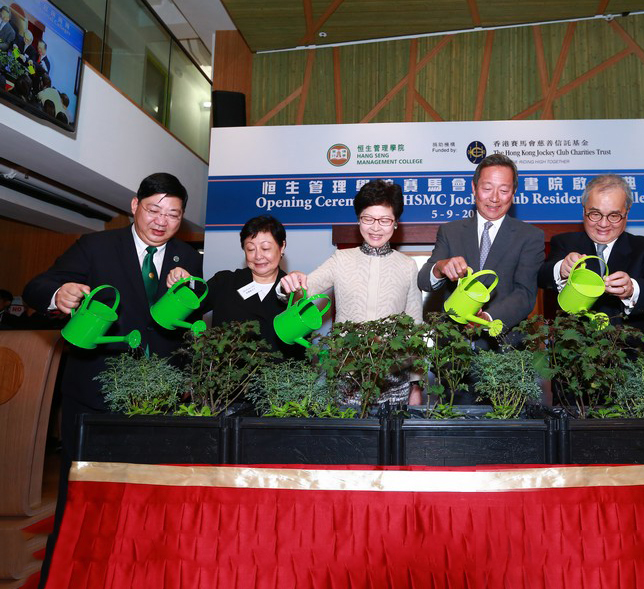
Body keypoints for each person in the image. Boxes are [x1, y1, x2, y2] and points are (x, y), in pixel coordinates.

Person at [23, 172, 202, 588]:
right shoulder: (96, 246)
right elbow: (36, 286)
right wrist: (60, 294)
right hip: (96, 397)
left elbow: (192, 312)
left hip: (161, 400)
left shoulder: (187, 258)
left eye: (173, 214)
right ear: (134, 204)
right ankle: (68, 577)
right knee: (84, 498)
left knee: (151, 497)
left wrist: (192, 288)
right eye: (154, 209)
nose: (161, 221)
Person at [279, 179, 423, 403]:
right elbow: (303, 290)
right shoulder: (341, 259)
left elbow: (415, 326)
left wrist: (416, 383)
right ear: (358, 220)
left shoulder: (407, 265)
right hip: (347, 377)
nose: (376, 227)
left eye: (385, 220)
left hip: (394, 379)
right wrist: (287, 284)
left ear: (396, 223)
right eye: (368, 219)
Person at [418, 153, 545, 338]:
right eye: (487, 188)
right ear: (474, 188)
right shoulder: (450, 231)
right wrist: (440, 267)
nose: (494, 198)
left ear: (514, 192)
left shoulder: (530, 236)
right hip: (454, 348)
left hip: (504, 347)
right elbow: (423, 281)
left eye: (503, 190)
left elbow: (525, 294)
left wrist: (487, 318)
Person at [538, 173, 644, 330]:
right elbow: (541, 276)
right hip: (573, 349)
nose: (603, 224)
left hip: (630, 349)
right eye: (595, 214)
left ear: (627, 213)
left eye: (614, 215)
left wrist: (632, 289)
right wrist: (561, 269)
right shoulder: (565, 243)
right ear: (584, 211)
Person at [167, 215, 301, 359]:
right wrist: (185, 284)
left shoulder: (294, 291)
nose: (258, 256)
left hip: (277, 379)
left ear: (282, 246)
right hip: (228, 377)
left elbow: (301, 349)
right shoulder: (225, 282)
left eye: (265, 248)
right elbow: (190, 308)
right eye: (250, 249)